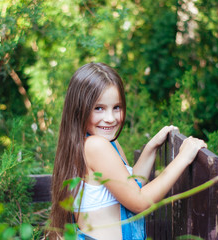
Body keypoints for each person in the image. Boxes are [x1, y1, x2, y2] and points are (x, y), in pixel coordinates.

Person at [49, 62, 207, 240]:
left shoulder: (104, 144)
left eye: (116, 107)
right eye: (98, 108)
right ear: (79, 110)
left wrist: (151, 147)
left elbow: (130, 186)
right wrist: (183, 158)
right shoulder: (95, 146)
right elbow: (139, 202)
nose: (110, 118)